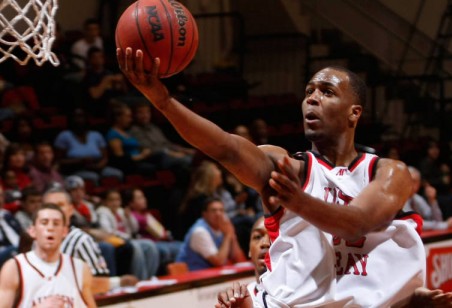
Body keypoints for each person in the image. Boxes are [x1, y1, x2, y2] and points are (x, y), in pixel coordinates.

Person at [117, 49, 425, 307]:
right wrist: (163, 102)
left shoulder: (387, 172)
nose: (313, 98)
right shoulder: (287, 167)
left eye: (327, 92)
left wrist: (300, 202)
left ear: (354, 113)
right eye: (309, 92)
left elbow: (357, 223)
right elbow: (225, 148)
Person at [215, 219, 452, 308]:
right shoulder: (239, 297)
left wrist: (407, 303)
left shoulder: (322, 290)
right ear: (247, 250)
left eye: (271, 237)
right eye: (257, 237)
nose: (266, 243)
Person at [42, 188, 138, 294]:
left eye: (60, 205)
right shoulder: (36, 242)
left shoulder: (80, 241)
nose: (55, 210)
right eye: (50, 206)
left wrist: (118, 282)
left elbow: (100, 280)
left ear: (70, 210)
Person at [0, 203, 97, 307]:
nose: (50, 228)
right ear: (32, 231)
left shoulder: (80, 268)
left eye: (56, 223)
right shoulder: (14, 268)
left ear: (64, 231)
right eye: (44, 223)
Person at [96, 189, 159, 280]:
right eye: (112, 200)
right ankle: (139, 278)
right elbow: (108, 231)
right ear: (105, 202)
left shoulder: (121, 211)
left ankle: (149, 277)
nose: (115, 203)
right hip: (115, 241)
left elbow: (135, 229)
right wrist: (126, 237)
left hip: (128, 239)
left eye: (117, 200)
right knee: (135, 247)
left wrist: (128, 217)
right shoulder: (102, 212)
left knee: (149, 244)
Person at [176, 197, 246, 271]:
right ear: (204, 214)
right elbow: (219, 262)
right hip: (192, 277)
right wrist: (228, 236)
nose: (218, 214)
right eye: (214, 210)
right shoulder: (199, 232)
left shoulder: (223, 228)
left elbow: (240, 261)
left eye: (221, 210)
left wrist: (232, 236)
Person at [404, 166, 452, 231]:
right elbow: (413, 223)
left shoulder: (417, 198)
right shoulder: (399, 200)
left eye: (416, 181)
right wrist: (445, 225)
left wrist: (432, 200)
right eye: (410, 180)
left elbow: (437, 220)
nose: (413, 184)